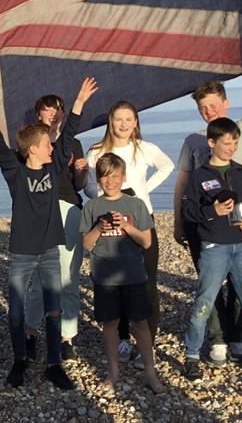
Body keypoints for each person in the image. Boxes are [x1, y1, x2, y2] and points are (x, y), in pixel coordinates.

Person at [0, 77, 98, 390]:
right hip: (22, 251)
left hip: (49, 248)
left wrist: (79, 104)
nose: (52, 148)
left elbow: (69, 133)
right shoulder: (16, 173)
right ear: (33, 149)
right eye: (47, 144)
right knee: (17, 309)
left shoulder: (53, 167)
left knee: (53, 307)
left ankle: (53, 364)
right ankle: (20, 361)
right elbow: (1, 146)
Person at [172, 73, 242, 365]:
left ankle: (235, 337)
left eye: (213, 105)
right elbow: (183, 184)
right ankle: (218, 339)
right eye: (203, 108)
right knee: (210, 286)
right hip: (205, 227)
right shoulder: (193, 142)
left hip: (241, 226)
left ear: (226, 103)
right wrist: (178, 222)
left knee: (241, 286)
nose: (209, 112)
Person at [85, 101, 173, 367]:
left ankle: (148, 342)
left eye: (128, 119)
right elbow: (90, 187)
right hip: (110, 223)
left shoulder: (144, 149)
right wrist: (105, 198)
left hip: (141, 219)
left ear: (136, 122)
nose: (123, 125)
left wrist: (144, 188)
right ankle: (123, 338)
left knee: (146, 282)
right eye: (117, 119)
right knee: (116, 283)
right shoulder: (97, 151)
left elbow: (167, 166)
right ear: (110, 122)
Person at [81, 153, 164, 394]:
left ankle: (150, 371)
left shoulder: (135, 204)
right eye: (105, 177)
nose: (111, 181)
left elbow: (147, 242)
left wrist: (126, 226)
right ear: (98, 179)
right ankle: (113, 371)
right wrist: (99, 228)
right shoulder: (93, 206)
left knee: (141, 323)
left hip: (133, 274)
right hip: (105, 276)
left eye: (116, 176)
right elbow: (86, 244)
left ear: (124, 176)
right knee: (110, 324)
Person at [25, 95, 88, 361]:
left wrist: (83, 171)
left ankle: (67, 337)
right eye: (47, 109)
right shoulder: (30, 143)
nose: (53, 113)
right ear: (39, 114)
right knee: (40, 278)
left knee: (69, 277)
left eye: (57, 109)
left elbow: (81, 184)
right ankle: (30, 332)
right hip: (41, 211)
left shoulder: (73, 143)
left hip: (70, 207)